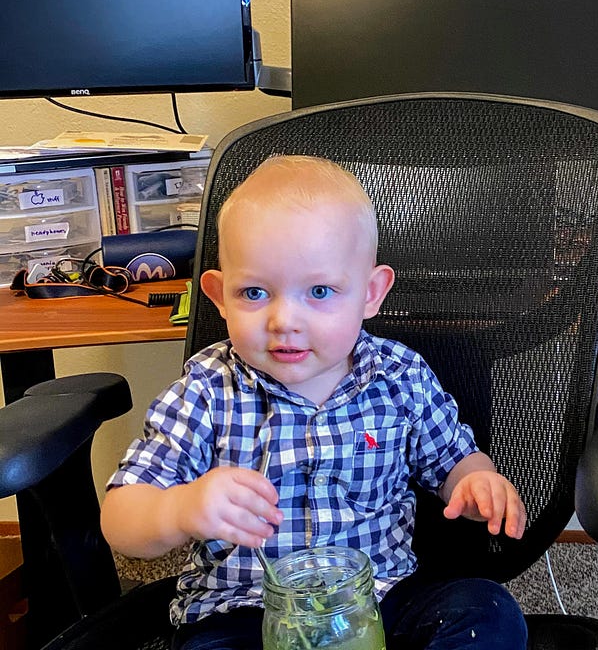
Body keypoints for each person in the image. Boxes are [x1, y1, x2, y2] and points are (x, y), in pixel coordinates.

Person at [101, 155, 528, 650]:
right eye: (255, 292)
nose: (285, 320)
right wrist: (179, 509)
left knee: (486, 610)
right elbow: (121, 521)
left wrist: (478, 482)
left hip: (380, 599)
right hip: (246, 610)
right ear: (218, 296)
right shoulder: (206, 391)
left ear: (370, 294)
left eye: (320, 291)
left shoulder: (399, 377)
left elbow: (454, 461)